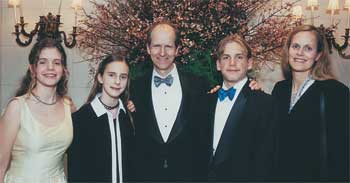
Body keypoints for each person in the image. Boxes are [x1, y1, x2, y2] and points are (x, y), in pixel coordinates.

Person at [130, 21, 210, 182]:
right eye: (156, 46)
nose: (162, 52)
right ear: (148, 48)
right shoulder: (133, 87)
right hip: (145, 176)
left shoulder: (199, 85)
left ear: (177, 49)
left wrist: (251, 87)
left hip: (189, 176)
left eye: (168, 46)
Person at [272, 25, 349, 181]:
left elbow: (343, 151)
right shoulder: (280, 89)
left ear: (318, 55)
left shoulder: (335, 92)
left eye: (308, 48)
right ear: (288, 51)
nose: (300, 53)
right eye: (296, 46)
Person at [205, 34, 279, 182]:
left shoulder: (265, 104)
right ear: (218, 64)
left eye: (239, 57)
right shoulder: (206, 101)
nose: (232, 63)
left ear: (250, 63)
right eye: (226, 57)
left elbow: (266, 161)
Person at [0, 38, 74, 183]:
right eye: (43, 62)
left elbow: (92, 126)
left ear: (64, 70)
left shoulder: (68, 106)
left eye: (57, 62)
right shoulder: (16, 107)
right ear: (33, 69)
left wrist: (126, 105)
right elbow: (0, 165)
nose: (50, 68)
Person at [67, 54, 135, 183]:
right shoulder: (80, 120)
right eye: (111, 75)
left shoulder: (129, 117)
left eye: (123, 77)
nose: (117, 81)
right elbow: (76, 172)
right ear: (100, 77)